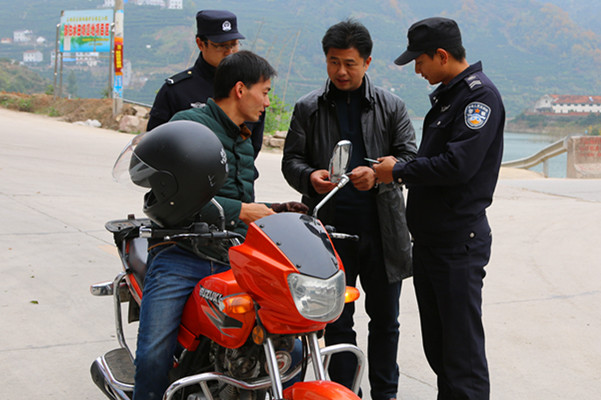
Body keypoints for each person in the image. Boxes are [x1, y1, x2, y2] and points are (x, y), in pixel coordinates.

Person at [133, 50, 304, 400]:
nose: (267, 102)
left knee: (289, 346)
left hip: (232, 258)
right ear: (240, 90)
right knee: (153, 353)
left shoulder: (244, 137)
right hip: (182, 254)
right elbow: (176, 199)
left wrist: (276, 209)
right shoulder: (190, 126)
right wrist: (243, 211)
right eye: (265, 92)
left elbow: (234, 200)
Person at [281, 19, 417, 400]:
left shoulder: (391, 107)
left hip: (382, 229)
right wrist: (310, 177)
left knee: (386, 321)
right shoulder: (308, 108)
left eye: (350, 63)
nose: (341, 71)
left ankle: (385, 394)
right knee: (337, 321)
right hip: (328, 235)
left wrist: (378, 175)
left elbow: (410, 158)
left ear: (367, 62)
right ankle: (343, 393)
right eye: (333, 62)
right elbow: (291, 161)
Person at [373, 17, 505, 400]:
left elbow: (457, 165)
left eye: (420, 61)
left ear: (442, 55)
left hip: (457, 246)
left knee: (462, 358)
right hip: (432, 244)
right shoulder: (449, 96)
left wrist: (399, 171)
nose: (417, 69)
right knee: (441, 352)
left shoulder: (479, 98)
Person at [146, 9, 264, 160]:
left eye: (234, 44)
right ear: (201, 44)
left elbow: (254, 146)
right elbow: (155, 145)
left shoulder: (250, 89)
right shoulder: (176, 91)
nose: (229, 52)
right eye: (221, 46)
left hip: (239, 173)